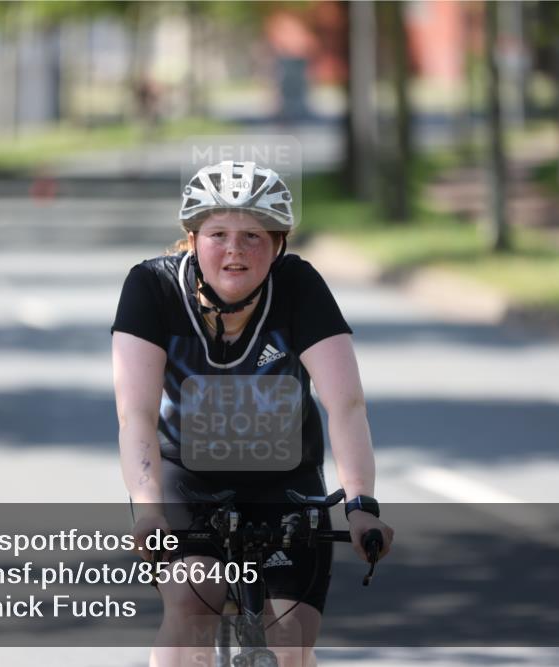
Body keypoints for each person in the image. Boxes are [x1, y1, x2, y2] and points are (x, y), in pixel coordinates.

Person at [111, 160, 394, 667]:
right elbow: (135, 414)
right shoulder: (150, 287)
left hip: (286, 479)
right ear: (193, 238)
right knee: (190, 607)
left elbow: (345, 403)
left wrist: (360, 505)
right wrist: (150, 510)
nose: (235, 250)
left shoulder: (301, 288)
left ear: (280, 243)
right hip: (186, 478)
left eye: (254, 235)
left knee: (291, 641)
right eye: (218, 233)